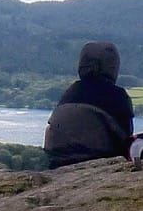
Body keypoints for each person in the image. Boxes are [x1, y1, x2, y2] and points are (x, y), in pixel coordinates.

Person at [44, 41, 134, 169]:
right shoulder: (117, 96)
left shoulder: (70, 92)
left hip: (56, 162)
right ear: (112, 67)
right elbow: (125, 139)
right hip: (98, 162)